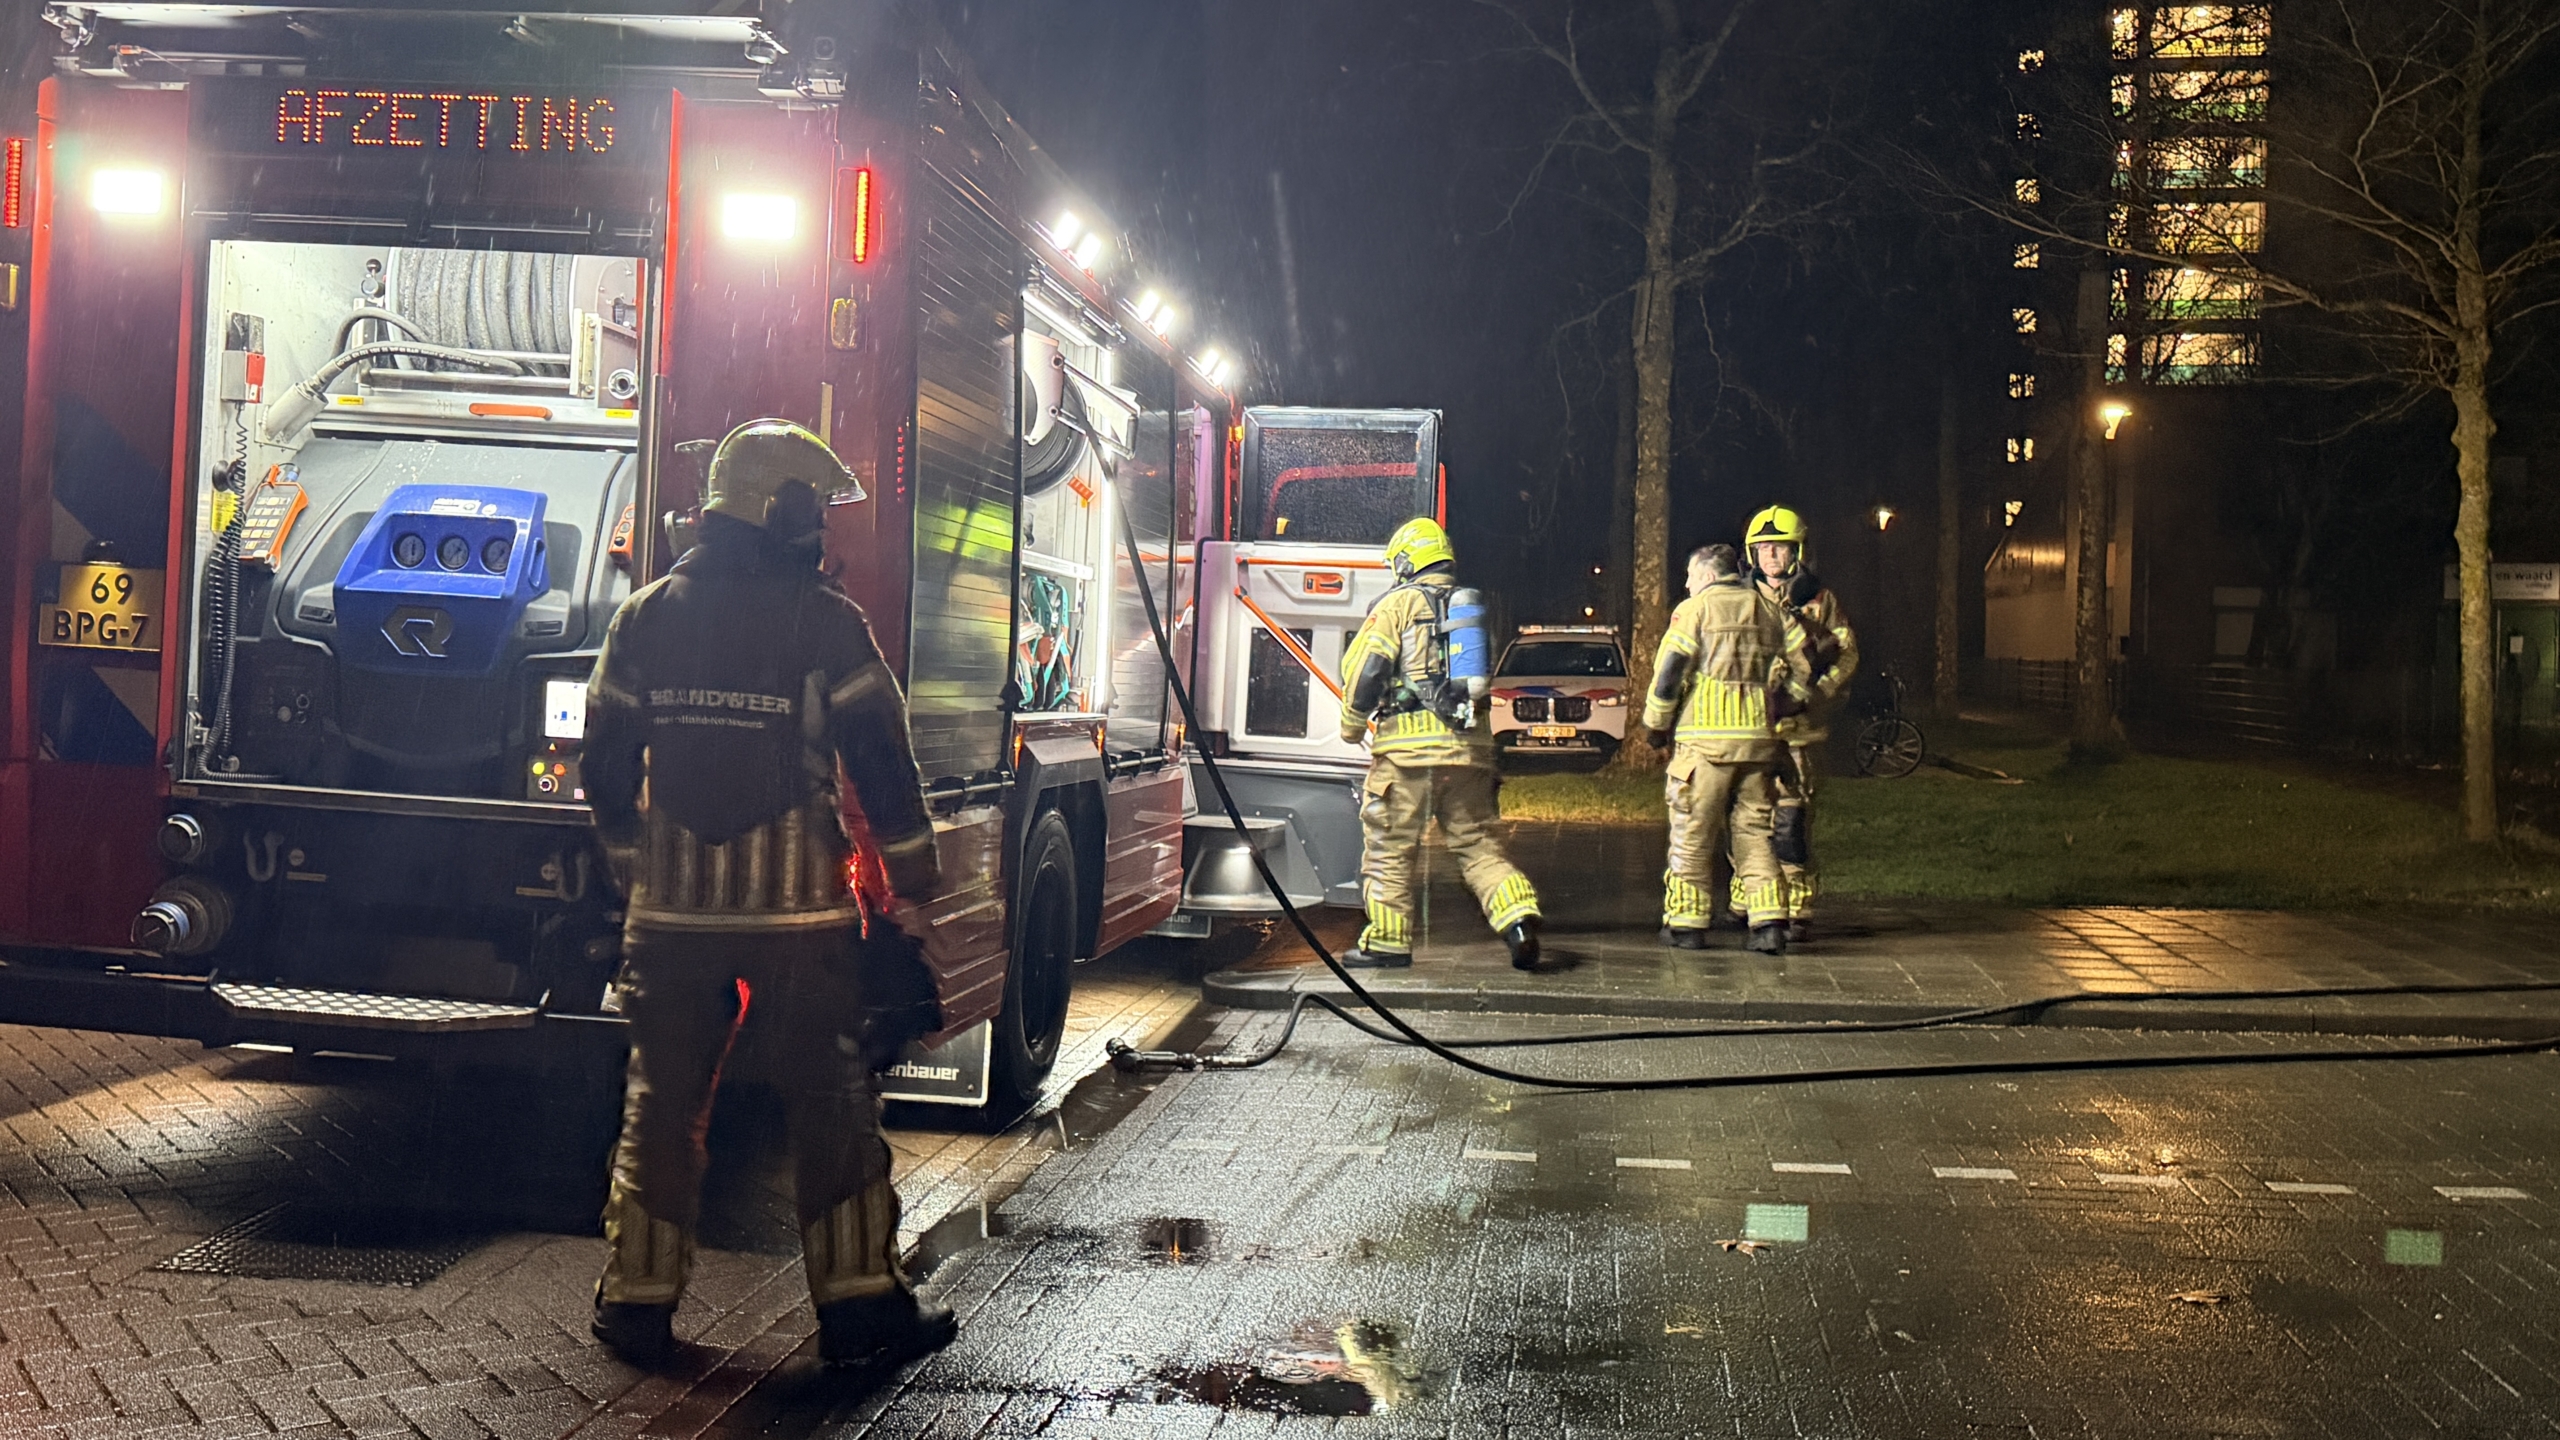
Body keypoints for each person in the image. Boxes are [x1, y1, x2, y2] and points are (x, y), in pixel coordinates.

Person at [581, 419, 954, 1372]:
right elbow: (880, 756)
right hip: (799, 923)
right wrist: (912, 874)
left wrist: (630, 863)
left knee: (661, 1104)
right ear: (777, 507)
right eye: (813, 508)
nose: (821, 529)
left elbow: (605, 760)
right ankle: (859, 1309)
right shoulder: (826, 622)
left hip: (670, 921)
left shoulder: (645, 616)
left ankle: (637, 1301)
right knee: (831, 1104)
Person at [1336, 517, 1549, 971]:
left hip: (1406, 757)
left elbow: (1369, 668)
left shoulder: (1396, 605)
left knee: (1390, 849)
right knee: (1478, 845)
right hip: (1469, 753)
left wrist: (1352, 725)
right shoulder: (1469, 611)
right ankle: (1518, 921)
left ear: (1406, 562)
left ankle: (1388, 943)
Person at [1643, 544, 1815, 955]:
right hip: (1758, 742)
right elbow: (1807, 661)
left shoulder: (1694, 610)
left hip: (1705, 745)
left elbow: (1670, 671)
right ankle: (1769, 923)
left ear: (1707, 575)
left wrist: (1656, 724)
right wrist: (1784, 702)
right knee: (1755, 834)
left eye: (1690, 575)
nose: (1687, 584)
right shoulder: (1768, 609)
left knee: (1693, 833)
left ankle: (1686, 924)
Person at [1742, 505, 1858, 943]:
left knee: (1791, 821)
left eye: (1780, 548)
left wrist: (1818, 692)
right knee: (1748, 818)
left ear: (1798, 552)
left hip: (1800, 732)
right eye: (1763, 548)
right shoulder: (1741, 598)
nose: (1771, 556)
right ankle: (1749, 898)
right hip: (1751, 728)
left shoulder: (1820, 600)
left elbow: (1846, 654)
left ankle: (1796, 904)